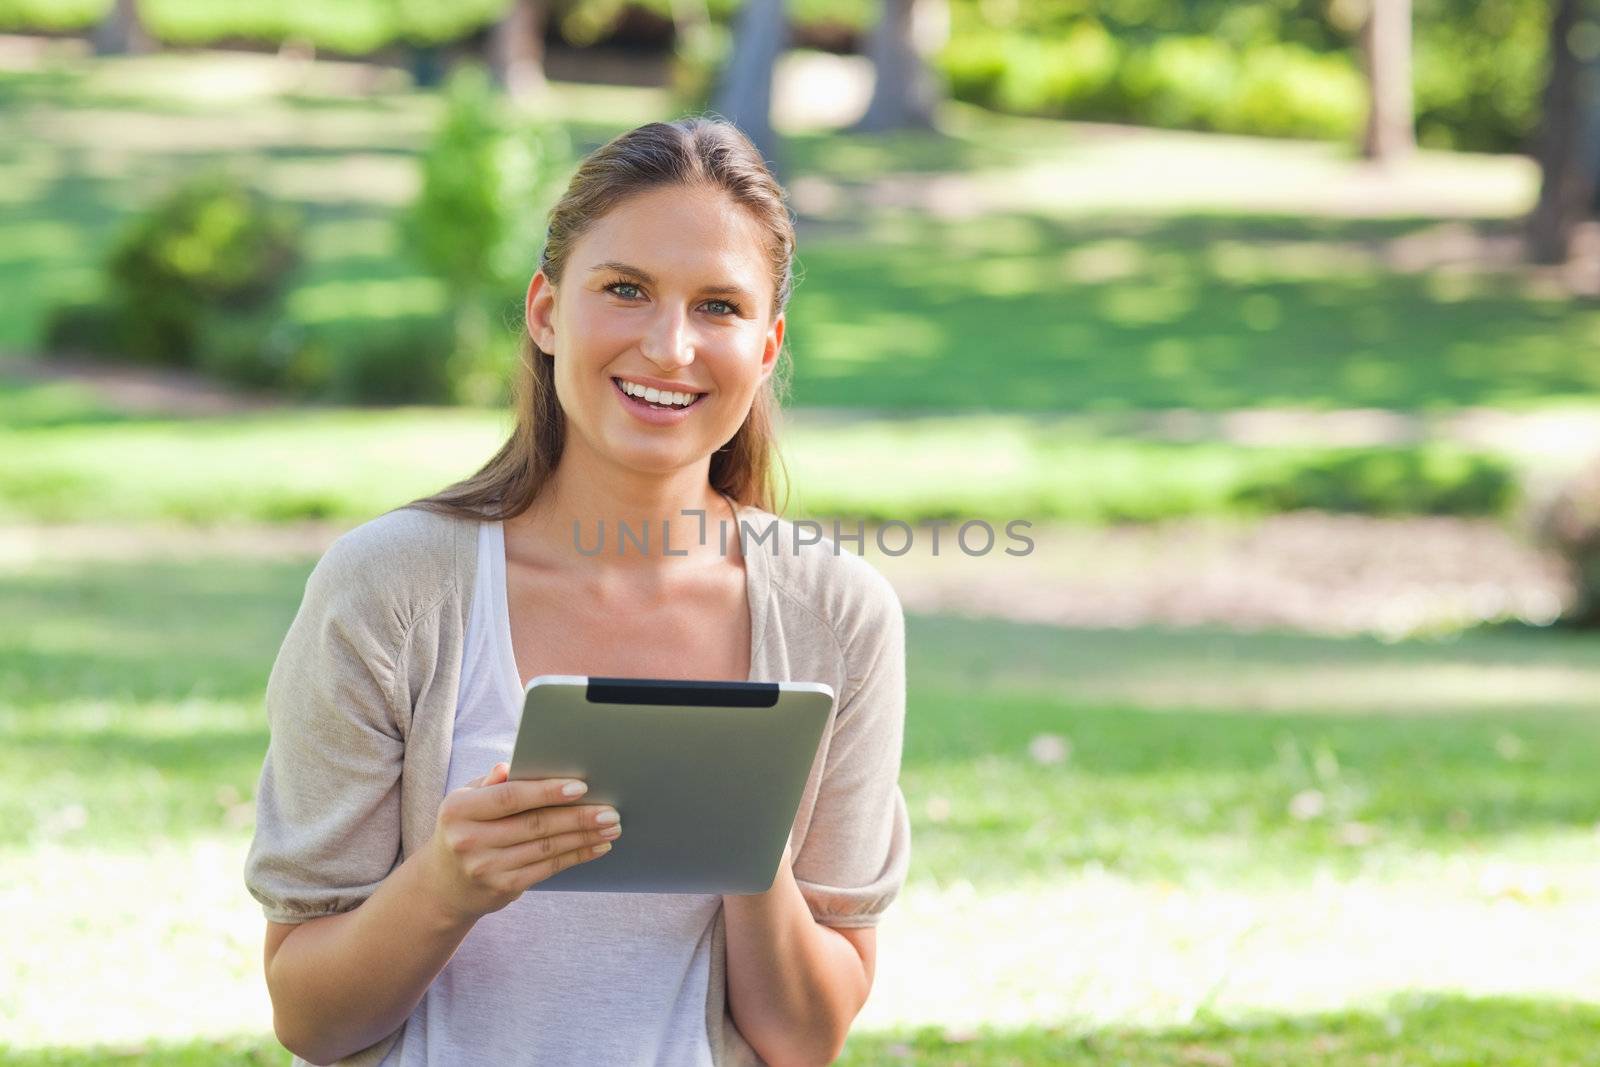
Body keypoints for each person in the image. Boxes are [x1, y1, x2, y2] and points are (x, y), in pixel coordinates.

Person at [243, 117, 912, 1066]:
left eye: (718, 306)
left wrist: (743, 841)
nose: (671, 346)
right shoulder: (389, 588)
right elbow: (311, 1021)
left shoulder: (838, 613)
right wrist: (445, 884)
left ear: (767, 348)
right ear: (547, 311)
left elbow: (804, 1039)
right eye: (626, 289)